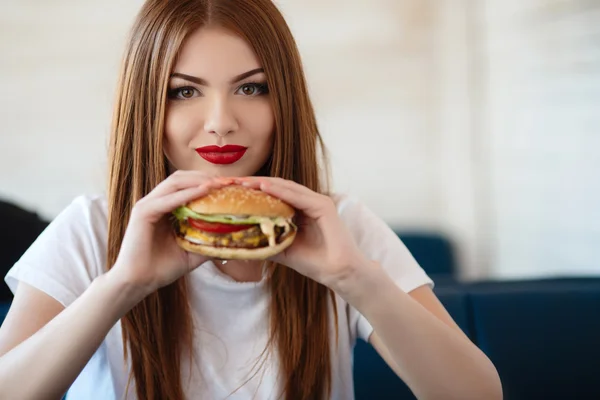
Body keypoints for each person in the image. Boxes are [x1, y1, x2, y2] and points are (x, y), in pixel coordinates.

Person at [0, 1, 502, 399]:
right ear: (144, 106)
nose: (221, 120)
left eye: (252, 88)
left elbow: (477, 394)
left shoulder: (338, 223)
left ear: (284, 99)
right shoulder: (93, 226)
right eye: (184, 93)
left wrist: (352, 278)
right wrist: (122, 286)